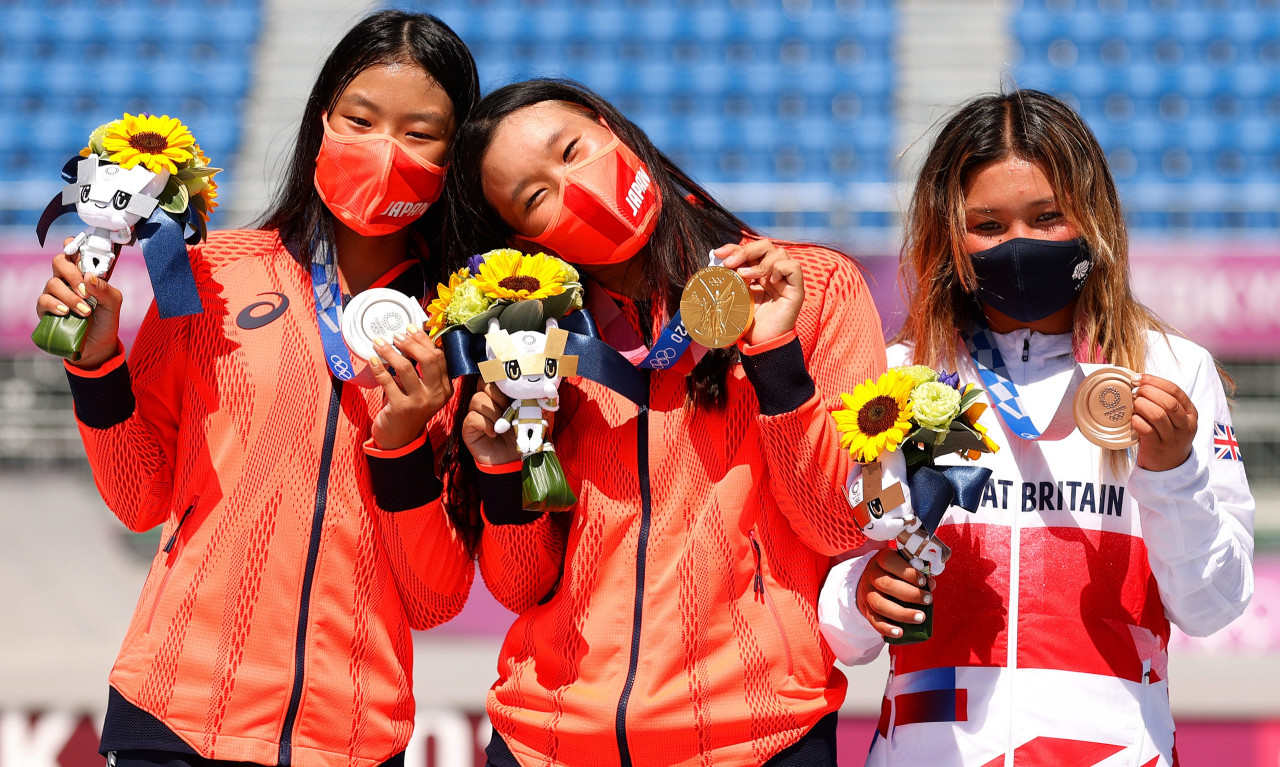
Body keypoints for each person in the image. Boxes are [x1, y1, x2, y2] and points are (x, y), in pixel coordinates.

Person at [33, 11, 480, 767]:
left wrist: (404, 446)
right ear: (320, 122)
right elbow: (140, 497)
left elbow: (434, 599)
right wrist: (97, 363)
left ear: (455, 154)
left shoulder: (466, 331)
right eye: (361, 120)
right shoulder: (210, 273)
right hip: (173, 717)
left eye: (419, 133)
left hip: (351, 739)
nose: (384, 150)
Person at [442, 79, 887, 767]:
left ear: (610, 128)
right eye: (536, 197)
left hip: (755, 740)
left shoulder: (809, 287)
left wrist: (776, 357)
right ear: (520, 240)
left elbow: (840, 525)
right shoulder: (532, 346)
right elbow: (522, 586)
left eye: (573, 150)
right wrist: (504, 469)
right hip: (545, 742)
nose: (576, 187)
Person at [817, 89, 1255, 766]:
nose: (1019, 244)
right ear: (948, 236)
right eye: (988, 225)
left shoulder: (1171, 370)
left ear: (1093, 218)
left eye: (1048, 217)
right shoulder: (894, 383)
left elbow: (1212, 606)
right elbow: (838, 627)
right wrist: (862, 595)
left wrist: (1173, 472)